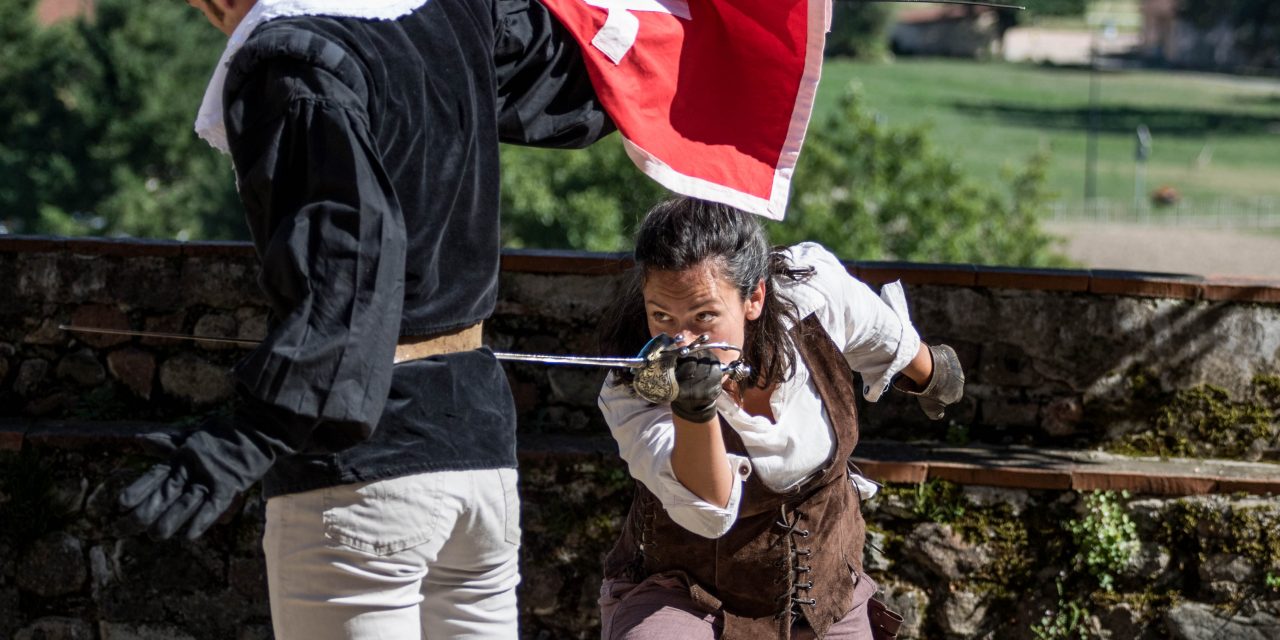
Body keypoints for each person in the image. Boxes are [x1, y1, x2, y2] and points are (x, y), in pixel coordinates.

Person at [116, 0, 611, 638]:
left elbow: (352, 264)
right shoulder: (455, 11)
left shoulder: (296, 61)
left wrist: (245, 437)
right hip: (478, 457)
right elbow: (590, 70)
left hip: (369, 477)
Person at [595, 197, 965, 640]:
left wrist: (934, 375)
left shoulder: (813, 297)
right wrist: (693, 407)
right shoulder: (633, 389)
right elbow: (708, 507)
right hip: (682, 596)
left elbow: (888, 339)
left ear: (753, 297)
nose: (683, 339)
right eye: (662, 316)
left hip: (823, 600)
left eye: (705, 316)